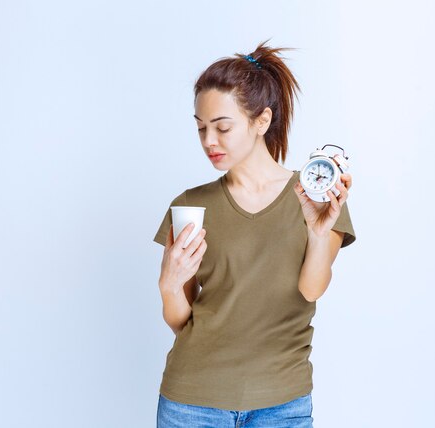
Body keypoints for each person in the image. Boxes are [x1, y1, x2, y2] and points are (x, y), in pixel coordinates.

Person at [152, 39, 356, 428]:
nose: (209, 141)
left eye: (222, 127)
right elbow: (182, 322)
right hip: (192, 402)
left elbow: (311, 290)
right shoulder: (190, 206)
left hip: (282, 404)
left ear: (262, 121)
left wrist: (317, 232)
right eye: (201, 128)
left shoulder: (316, 196)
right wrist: (168, 286)